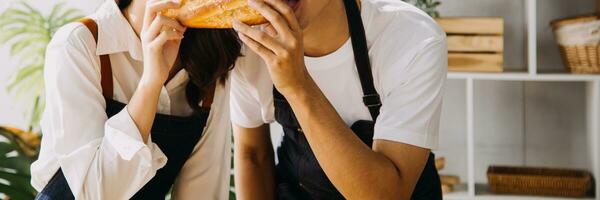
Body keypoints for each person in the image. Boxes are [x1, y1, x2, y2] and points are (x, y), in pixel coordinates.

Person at [230, 0, 447, 199]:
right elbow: (253, 156)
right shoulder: (248, 45)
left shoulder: (413, 39)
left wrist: (298, 87)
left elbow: (388, 195)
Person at [31, 0, 240, 199]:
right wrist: (151, 83)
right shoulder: (79, 44)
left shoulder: (211, 62)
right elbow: (91, 194)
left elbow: (203, 192)